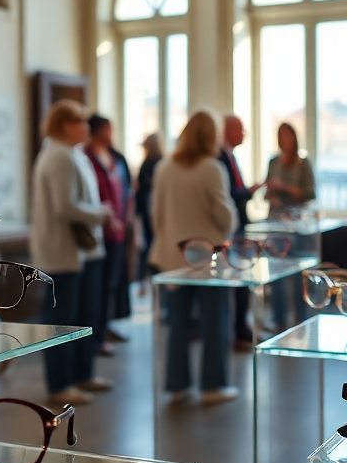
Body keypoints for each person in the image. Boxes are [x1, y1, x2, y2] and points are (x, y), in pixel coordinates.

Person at [150, 111, 240, 405]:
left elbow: (156, 214)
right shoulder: (212, 169)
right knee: (214, 319)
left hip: (174, 257)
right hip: (207, 258)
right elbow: (225, 218)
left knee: (178, 321)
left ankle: (176, 385)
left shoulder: (164, 167)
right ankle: (212, 386)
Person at [31, 100, 114, 406]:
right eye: (80, 121)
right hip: (62, 253)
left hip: (81, 251)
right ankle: (60, 383)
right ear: (65, 125)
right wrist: (101, 214)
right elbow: (65, 207)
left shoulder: (72, 154)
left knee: (82, 316)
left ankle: (81, 374)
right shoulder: (58, 157)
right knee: (61, 320)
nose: (87, 128)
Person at [84, 115, 133, 356]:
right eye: (109, 128)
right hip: (97, 231)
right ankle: (95, 336)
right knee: (97, 287)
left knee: (111, 284)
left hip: (118, 231)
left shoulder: (115, 157)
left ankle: (105, 328)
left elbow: (126, 189)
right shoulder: (86, 157)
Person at [218, 114, 264, 349]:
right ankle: (236, 330)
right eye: (239, 129)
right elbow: (226, 194)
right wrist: (248, 191)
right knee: (235, 279)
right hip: (229, 228)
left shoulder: (230, 155)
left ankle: (241, 328)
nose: (243, 133)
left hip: (238, 225)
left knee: (243, 278)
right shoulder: (218, 157)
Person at [264, 122, 315, 329]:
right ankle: (279, 319)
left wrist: (284, 188)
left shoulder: (302, 163)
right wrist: (271, 193)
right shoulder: (273, 161)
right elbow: (267, 190)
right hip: (275, 223)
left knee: (298, 275)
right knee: (276, 273)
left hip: (296, 225)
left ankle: (301, 320)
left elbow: (310, 193)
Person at [134, 132, 163, 283]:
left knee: (150, 245)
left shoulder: (154, 164)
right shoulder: (159, 163)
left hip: (150, 209)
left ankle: (149, 278)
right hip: (151, 210)